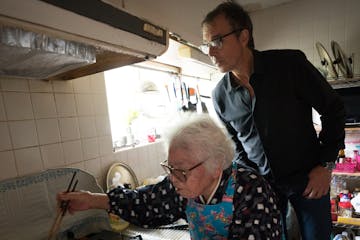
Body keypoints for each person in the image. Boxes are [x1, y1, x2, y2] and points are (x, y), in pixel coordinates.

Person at [200, 2, 346, 240]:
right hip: (264, 189)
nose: (210, 52)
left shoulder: (290, 65)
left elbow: (334, 109)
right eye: (205, 44)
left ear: (243, 36)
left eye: (216, 41)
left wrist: (326, 166)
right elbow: (237, 147)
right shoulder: (219, 96)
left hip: (309, 179)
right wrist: (253, 186)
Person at [58, 114, 282, 239]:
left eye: (181, 170)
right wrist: (91, 200)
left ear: (216, 166)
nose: (173, 178)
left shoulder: (253, 192)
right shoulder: (181, 186)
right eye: (170, 167)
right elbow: (145, 204)